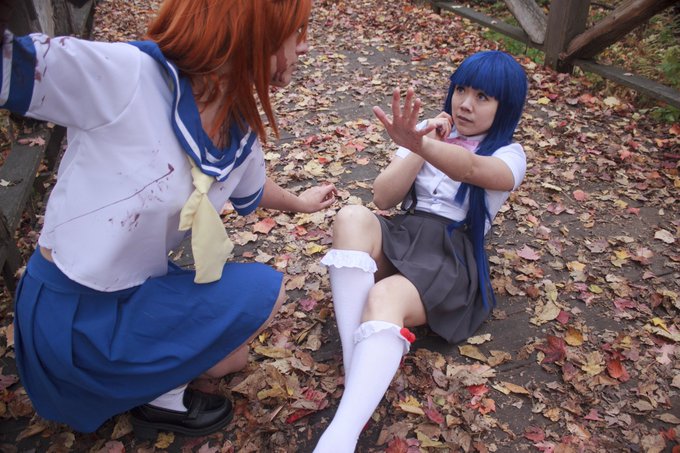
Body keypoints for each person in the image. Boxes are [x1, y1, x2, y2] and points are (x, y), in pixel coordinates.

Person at [1, 0, 337, 439]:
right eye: (297, 31)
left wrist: (302, 203)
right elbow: (13, 67)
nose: (304, 47)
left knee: (233, 354)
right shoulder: (125, 76)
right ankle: (159, 400)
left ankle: (145, 378)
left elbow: (250, 186)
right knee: (239, 325)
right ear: (256, 32)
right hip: (70, 317)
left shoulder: (235, 121)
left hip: (136, 292)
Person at [314, 50, 528, 452]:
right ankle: (357, 367)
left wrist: (422, 143)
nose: (465, 104)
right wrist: (420, 144)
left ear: (506, 107)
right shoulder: (429, 131)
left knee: (383, 296)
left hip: (450, 255)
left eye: (483, 97)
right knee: (351, 216)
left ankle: (338, 439)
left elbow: (469, 169)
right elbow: (383, 197)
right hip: (406, 233)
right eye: (461, 90)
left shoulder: (509, 155)